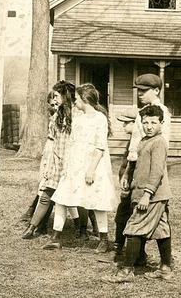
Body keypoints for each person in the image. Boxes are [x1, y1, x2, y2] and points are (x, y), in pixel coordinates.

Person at [103, 105, 174, 283]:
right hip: (147, 194)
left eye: (153, 122)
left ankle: (126, 271)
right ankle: (165, 268)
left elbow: (157, 172)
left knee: (133, 228)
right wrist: (128, 175)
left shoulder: (159, 142)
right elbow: (136, 164)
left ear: (161, 123)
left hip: (152, 195)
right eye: (145, 122)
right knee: (161, 229)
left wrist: (147, 195)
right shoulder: (144, 141)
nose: (149, 126)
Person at [44, 84, 116, 252]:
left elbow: (100, 146)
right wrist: (66, 165)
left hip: (92, 165)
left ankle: (103, 240)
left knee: (97, 201)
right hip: (74, 164)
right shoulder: (78, 119)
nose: (74, 101)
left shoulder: (100, 118)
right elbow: (71, 143)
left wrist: (91, 169)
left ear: (85, 100)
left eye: (76, 99)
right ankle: (56, 238)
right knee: (62, 198)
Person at [22, 83, 81, 239]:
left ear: (65, 95)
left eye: (56, 96)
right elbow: (53, 140)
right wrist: (50, 163)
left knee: (75, 197)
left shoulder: (78, 116)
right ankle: (31, 228)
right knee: (46, 194)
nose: (54, 99)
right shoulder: (56, 116)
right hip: (56, 161)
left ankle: (83, 230)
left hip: (72, 162)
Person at [103, 107, 143, 265]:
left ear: (135, 123)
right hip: (127, 184)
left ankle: (133, 253)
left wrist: (128, 184)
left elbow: (133, 165)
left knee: (129, 216)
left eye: (126, 123)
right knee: (122, 215)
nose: (123, 126)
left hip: (134, 185)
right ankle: (118, 248)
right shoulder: (132, 139)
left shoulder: (139, 141)